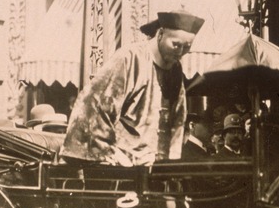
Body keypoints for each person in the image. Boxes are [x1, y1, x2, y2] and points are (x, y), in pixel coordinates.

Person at [62, 10, 205, 166]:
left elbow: (177, 120)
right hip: (119, 165)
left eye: (186, 47)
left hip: (154, 166)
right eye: (176, 45)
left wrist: (168, 164)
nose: (180, 52)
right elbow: (92, 107)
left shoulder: (175, 70)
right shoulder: (129, 58)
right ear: (160, 34)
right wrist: (110, 152)